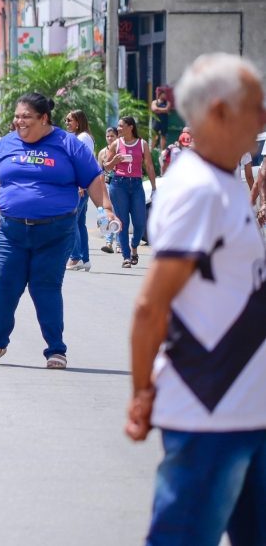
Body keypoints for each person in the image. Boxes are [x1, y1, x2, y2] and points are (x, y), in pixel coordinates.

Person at [125, 54, 266, 546]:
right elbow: (151, 305)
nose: (263, 119)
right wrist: (142, 392)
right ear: (221, 112)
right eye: (256, 107)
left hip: (248, 407)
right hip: (211, 409)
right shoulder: (199, 190)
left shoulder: (225, 180)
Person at [0, 93, 116, 369]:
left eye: (26, 117)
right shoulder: (6, 144)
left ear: (44, 118)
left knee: (45, 287)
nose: (19, 122)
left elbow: (93, 179)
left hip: (55, 232)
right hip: (13, 231)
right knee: (3, 284)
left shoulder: (68, 144)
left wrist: (106, 210)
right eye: (17, 117)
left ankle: (56, 349)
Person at [105, 116, 157, 268]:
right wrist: (114, 161)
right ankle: (126, 256)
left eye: (121, 126)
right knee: (122, 222)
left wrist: (154, 188)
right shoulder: (116, 143)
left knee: (140, 223)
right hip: (118, 184)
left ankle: (134, 246)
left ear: (130, 127)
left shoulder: (142, 144)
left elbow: (149, 166)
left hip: (136, 185)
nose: (118, 128)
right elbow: (106, 167)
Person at [62, 110, 96, 273]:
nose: (67, 123)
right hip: (80, 184)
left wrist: (81, 184)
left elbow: (85, 161)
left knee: (72, 221)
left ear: (78, 121)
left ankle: (76, 257)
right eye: (66, 120)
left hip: (80, 186)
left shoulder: (82, 138)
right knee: (79, 222)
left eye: (70, 120)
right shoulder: (79, 137)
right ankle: (85, 258)